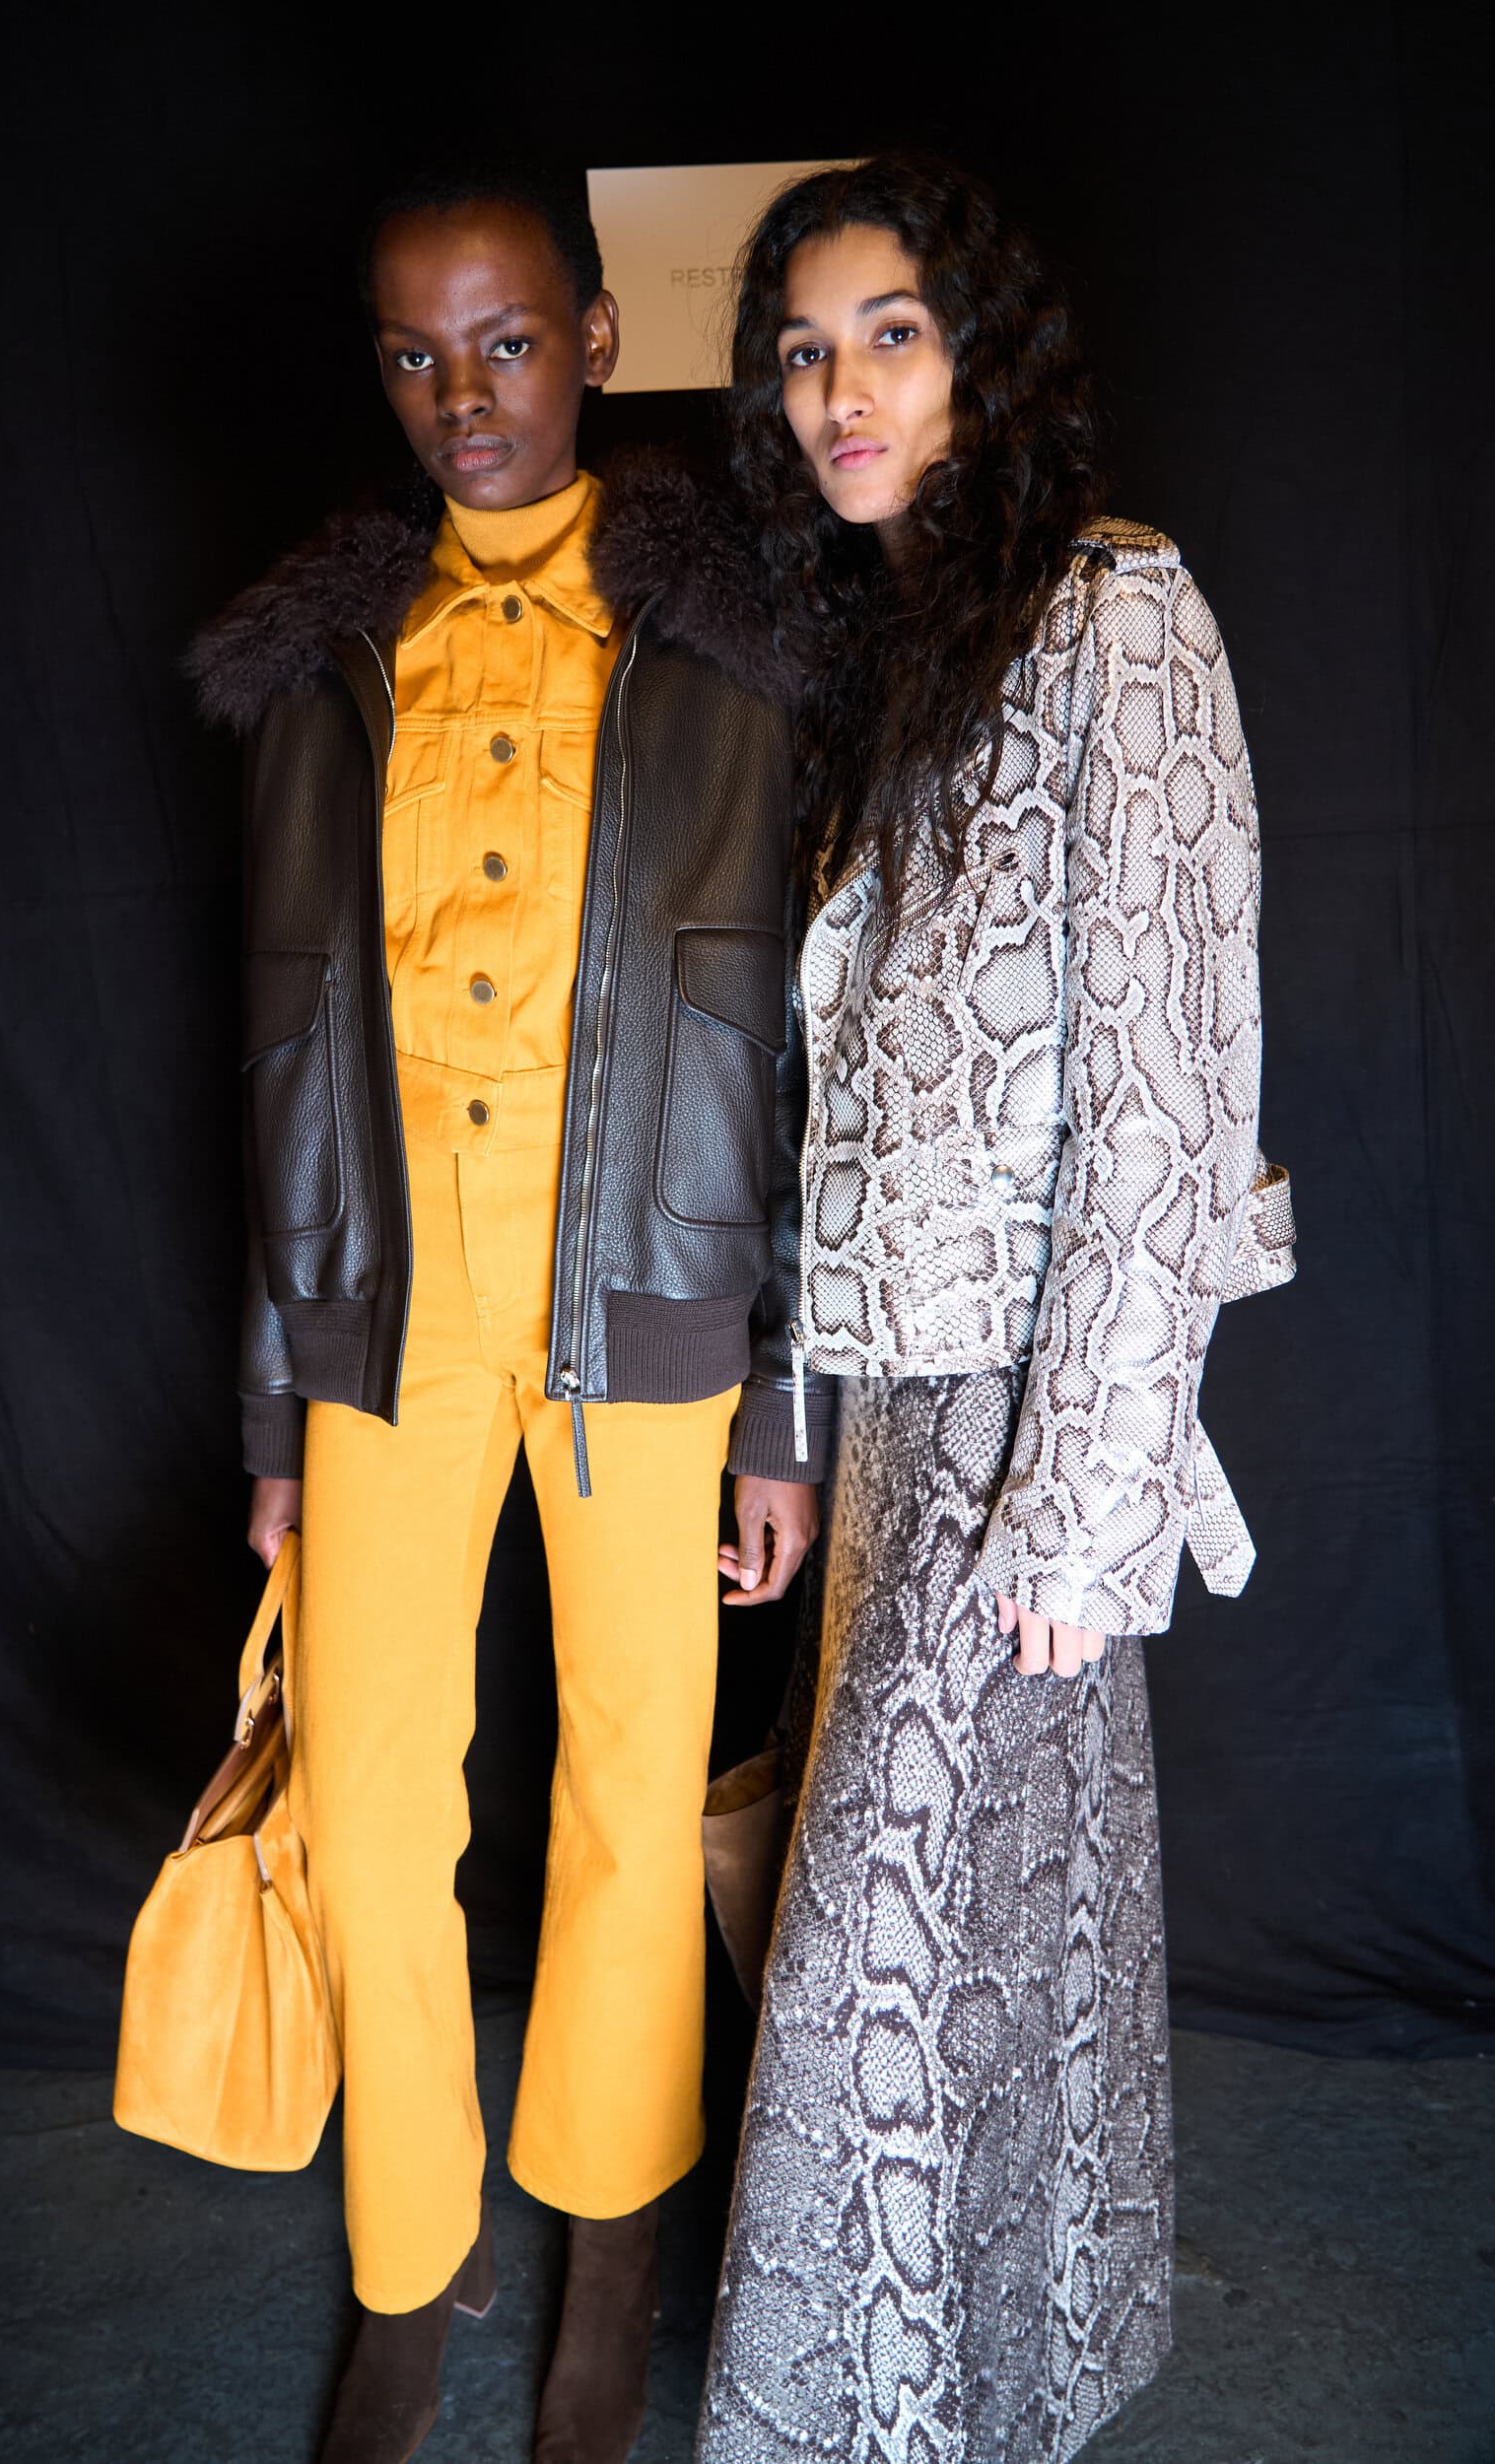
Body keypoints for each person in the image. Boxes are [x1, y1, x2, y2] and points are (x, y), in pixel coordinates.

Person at [189, 166, 820, 2464]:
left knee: (629, 1789)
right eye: (415, 354)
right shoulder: (321, 673)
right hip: (389, 1313)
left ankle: (607, 2248)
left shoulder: (731, 650)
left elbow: (798, 1049)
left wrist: (784, 1405)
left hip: (648, 1298)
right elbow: (278, 1060)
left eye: (507, 341)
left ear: (593, 337)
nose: (463, 392)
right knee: (371, 1792)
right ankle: (405, 2260)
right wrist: (278, 1401)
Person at [702, 156, 1295, 2463]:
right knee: (977, 1945)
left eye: (888, 331)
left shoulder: (1111, 615)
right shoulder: (881, 663)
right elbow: (825, 1103)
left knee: (886, 1952)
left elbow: (1167, 1080)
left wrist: (1085, 1495)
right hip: (885, 1413)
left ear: (983, 353)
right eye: (799, 349)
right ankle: (1007, 2373)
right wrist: (783, 1413)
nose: (835, 388)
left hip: (1032, 1416)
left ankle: (854, 2420)